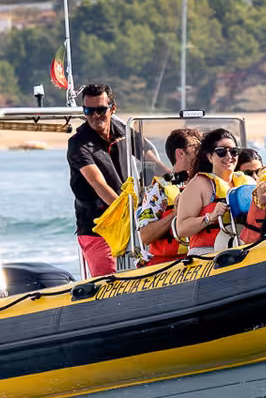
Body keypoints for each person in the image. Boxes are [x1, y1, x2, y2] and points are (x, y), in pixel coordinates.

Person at [66, 82, 129, 277]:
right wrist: (128, 213)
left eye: (101, 110)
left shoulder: (123, 130)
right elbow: (98, 183)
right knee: (109, 280)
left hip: (126, 221)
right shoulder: (78, 144)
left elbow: (149, 156)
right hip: (97, 228)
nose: (95, 116)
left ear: (113, 108)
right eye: (88, 110)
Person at [137, 126, 200, 265]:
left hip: (199, 258)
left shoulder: (206, 183)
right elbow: (145, 236)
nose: (202, 153)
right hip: (166, 264)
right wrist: (176, 214)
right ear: (180, 154)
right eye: (196, 149)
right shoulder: (159, 189)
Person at [173, 127, 239, 254]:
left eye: (234, 151)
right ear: (209, 157)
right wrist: (211, 217)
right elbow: (181, 228)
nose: (229, 156)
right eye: (221, 152)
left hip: (240, 249)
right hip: (207, 253)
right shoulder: (199, 184)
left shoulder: (245, 182)